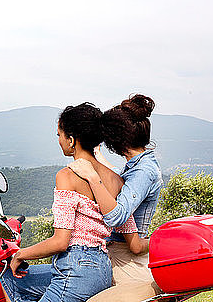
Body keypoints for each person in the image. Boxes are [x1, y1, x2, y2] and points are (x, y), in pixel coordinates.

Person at [0, 102, 147, 302]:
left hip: (75, 267)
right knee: (11, 279)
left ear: (71, 140)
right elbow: (133, 239)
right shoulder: (117, 180)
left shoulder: (66, 177)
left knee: (9, 274)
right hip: (103, 268)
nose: (59, 141)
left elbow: (60, 242)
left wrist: (20, 254)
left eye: (59, 135)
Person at [67, 94, 163, 301]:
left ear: (115, 140)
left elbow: (117, 216)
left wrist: (93, 177)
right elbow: (125, 185)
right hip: (114, 253)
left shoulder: (144, 171)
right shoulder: (136, 165)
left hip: (126, 260)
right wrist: (100, 161)